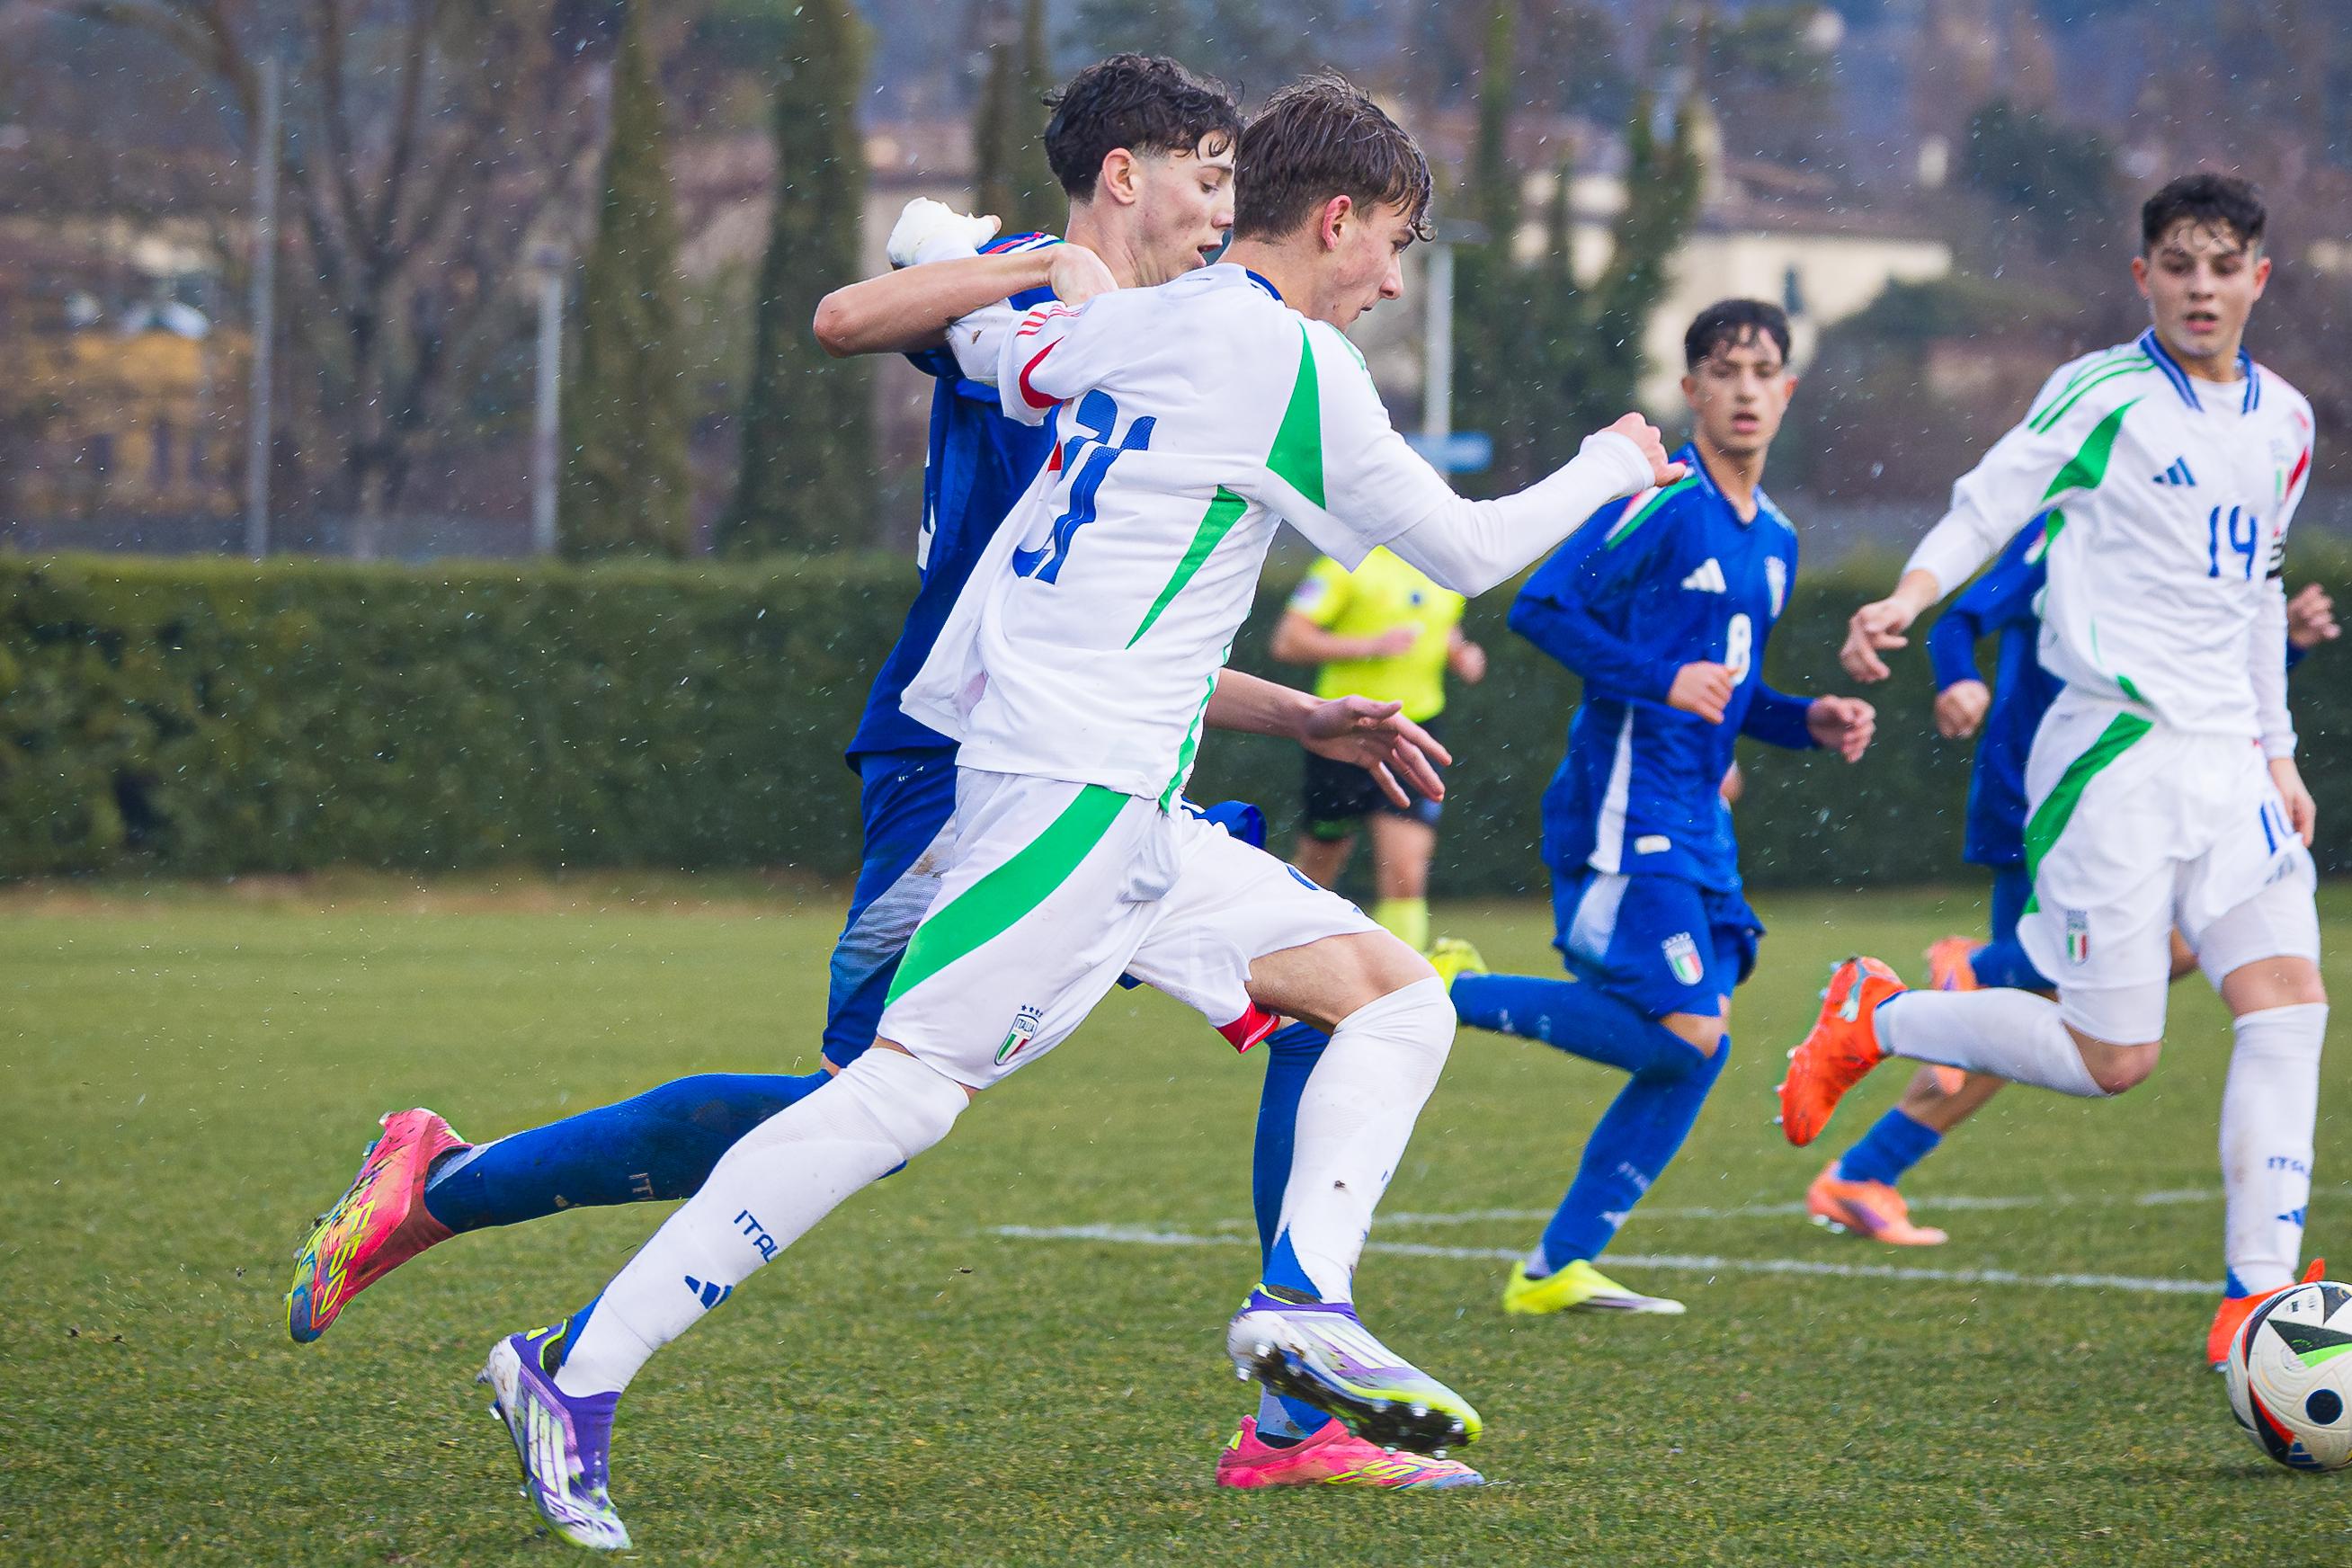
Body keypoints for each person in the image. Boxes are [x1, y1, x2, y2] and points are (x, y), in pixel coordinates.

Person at [460, 73, 1686, 1548]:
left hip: (1122, 796)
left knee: (1392, 997)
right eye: (1397, 244)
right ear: (1342, 217)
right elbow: (1460, 548)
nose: (1391, 277)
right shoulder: (1282, 358)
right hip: (1067, 786)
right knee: (897, 1095)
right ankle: (569, 1371)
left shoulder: (1141, 319)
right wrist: (1619, 458)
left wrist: (968, 258)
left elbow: (996, 345)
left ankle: (1302, 1300)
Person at [287, 56, 1477, 1498]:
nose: (1230, 211)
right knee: (872, 1103)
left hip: (1091, 751)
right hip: (973, 756)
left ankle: (1295, 1400)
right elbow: (852, 311)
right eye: (1209, 177)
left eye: (1240, 182)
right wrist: (1008, 259)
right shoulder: (1037, 295)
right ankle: (456, 1197)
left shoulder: (1182, 337)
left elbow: (1128, 614)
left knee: (1329, 1009)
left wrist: (1296, 714)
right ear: (1125, 177)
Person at [1777, 174, 2327, 1368]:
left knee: (2289, 1010)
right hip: (2112, 761)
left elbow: (2256, 598)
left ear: (2257, 281)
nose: (2200, 286)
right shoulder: (2101, 395)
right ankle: (1883, 1015)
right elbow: (1986, 507)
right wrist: (1907, 601)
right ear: (2145, 277)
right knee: (2112, 1059)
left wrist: (2279, 754)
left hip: (2230, 766)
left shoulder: (2285, 422)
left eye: (2223, 265)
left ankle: (2254, 1301)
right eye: (2178, 264)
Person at [1435, 299, 1875, 1314]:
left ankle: (1554, 1269)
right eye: (1725, 370)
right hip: (1625, 810)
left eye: (1766, 370)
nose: (1747, 388)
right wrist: (1657, 678)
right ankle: (1446, 993)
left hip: (1698, 825)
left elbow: (1729, 689)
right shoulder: (1664, 499)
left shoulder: (1777, 539)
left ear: (1788, 391)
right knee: (1687, 1035)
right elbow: (1543, 604)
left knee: (1695, 1051)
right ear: (1691, 391)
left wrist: (1808, 719)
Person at [1807, 530, 2336, 1244]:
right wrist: (1958, 678)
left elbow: (2200, 681)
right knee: (2057, 1001)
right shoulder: (2074, 520)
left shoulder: (2184, 521)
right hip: (2052, 799)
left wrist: (2290, 646)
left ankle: (1868, 1167)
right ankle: (1974, 976)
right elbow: (1963, 616)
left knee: (2058, 1017)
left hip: (2146, 804)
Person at [1272, 548, 1485, 950]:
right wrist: (1370, 644)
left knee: (1406, 874)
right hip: (1342, 734)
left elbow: (1442, 627)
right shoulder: (1343, 564)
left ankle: (1401, 990)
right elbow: (1288, 641)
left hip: (1414, 734)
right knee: (1317, 870)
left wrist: (1461, 653)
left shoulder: (1443, 563)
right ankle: (1283, 970)